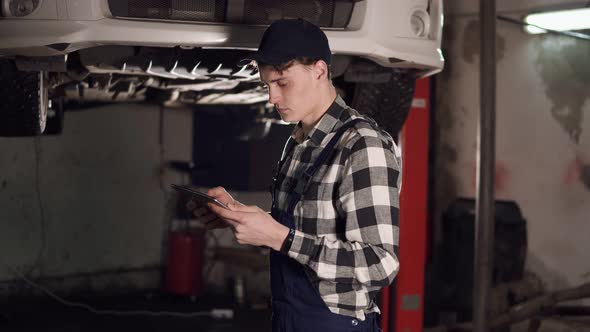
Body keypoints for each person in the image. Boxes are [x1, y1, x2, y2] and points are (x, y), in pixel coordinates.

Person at [189, 18, 401, 332]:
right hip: (289, 320)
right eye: (267, 85)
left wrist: (279, 237)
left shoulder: (362, 144)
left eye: (282, 83)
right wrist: (241, 219)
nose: (271, 97)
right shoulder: (298, 142)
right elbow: (300, 234)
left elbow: (379, 264)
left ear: (319, 70)